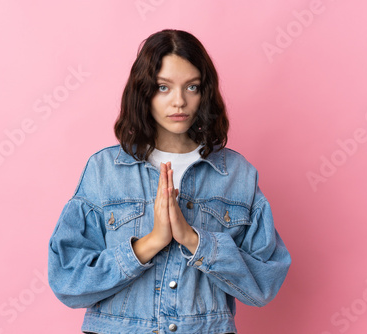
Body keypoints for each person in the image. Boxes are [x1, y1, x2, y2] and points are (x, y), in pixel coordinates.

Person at [48, 29, 291, 334]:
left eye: (192, 87)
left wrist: (194, 239)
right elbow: (68, 281)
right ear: (144, 92)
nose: (179, 101)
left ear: (205, 92)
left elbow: (263, 284)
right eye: (163, 87)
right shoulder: (104, 170)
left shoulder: (236, 174)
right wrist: (150, 243)